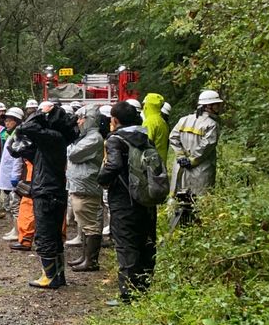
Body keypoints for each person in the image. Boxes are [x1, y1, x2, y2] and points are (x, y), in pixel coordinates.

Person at [8, 101, 79, 289]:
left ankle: (50, 276)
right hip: (52, 190)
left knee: (46, 235)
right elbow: (18, 149)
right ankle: (57, 274)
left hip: (46, 191)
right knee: (54, 236)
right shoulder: (55, 140)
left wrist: (41, 113)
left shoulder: (52, 137)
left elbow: (26, 126)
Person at [98, 101, 157, 303]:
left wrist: (102, 180)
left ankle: (128, 295)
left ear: (115, 120)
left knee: (125, 245)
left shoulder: (115, 139)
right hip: (146, 199)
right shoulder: (145, 137)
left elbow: (113, 165)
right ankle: (145, 288)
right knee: (146, 242)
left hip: (124, 200)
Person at [169, 89, 223, 225]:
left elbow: (173, 137)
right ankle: (199, 230)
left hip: (181, 168)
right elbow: (206, 146)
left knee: (180, 199)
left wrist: (181, 156)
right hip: (201, 170)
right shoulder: (212, 124)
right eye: (216, 104)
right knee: (200, 201)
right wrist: (192, 160)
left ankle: (180, 228)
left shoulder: (184, 120)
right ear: (207, 106)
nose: (218, 107)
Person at [65, 105, 105, 272]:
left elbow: (73, 154)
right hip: (80, 187)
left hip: (87, 187)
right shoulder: (84, 137)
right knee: (83, 224)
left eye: (81, 118)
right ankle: (84, 257)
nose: (79, 122)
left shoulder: (94, 138)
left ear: (90, 120)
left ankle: (91, 261)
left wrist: (68, 145)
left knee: (90, 226)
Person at [0, 107, 25, 240]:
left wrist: (15, 176)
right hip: (9, 174)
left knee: (15, 205)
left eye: (9, 121)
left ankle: (19, 231)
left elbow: (18, 158)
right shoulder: (11, 135)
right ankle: (15, 228)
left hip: (16, 176)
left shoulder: (19, 136)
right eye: (6, 120)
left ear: (17, 121)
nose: (6, 123)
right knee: (10, 204)